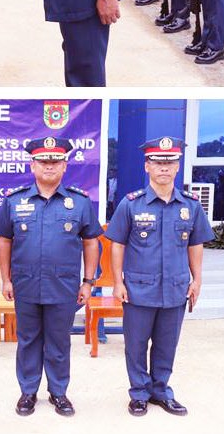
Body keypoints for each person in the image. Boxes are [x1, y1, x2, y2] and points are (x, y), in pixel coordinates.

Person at [0, 137, 101, 417]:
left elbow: (90, 242)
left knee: (59, 340)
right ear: (32, 165)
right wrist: (6, 278)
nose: (49, 166)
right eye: (43, 161)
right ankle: (28, 392)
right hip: (25, 284)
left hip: (63, 286)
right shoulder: (15, 201)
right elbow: (3, 240)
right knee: (27, 339)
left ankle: (59, 392)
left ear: (65, 166)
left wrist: (88, 282)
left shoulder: (79, 202)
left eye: (55, 161)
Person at [105, 137, 210, 416]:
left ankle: (161, 391)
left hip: (175, 289)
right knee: (136, 345)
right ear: (147, 166)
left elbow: (195, 244)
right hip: (138, 288)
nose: (164, 167)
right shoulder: (131, 204)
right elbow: (117, 244)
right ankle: (138, 393)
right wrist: (118, 282)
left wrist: (196, 280)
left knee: (166, 345)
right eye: (158, 162)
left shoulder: (190, 205)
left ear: (177, 167)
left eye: (170, 162)